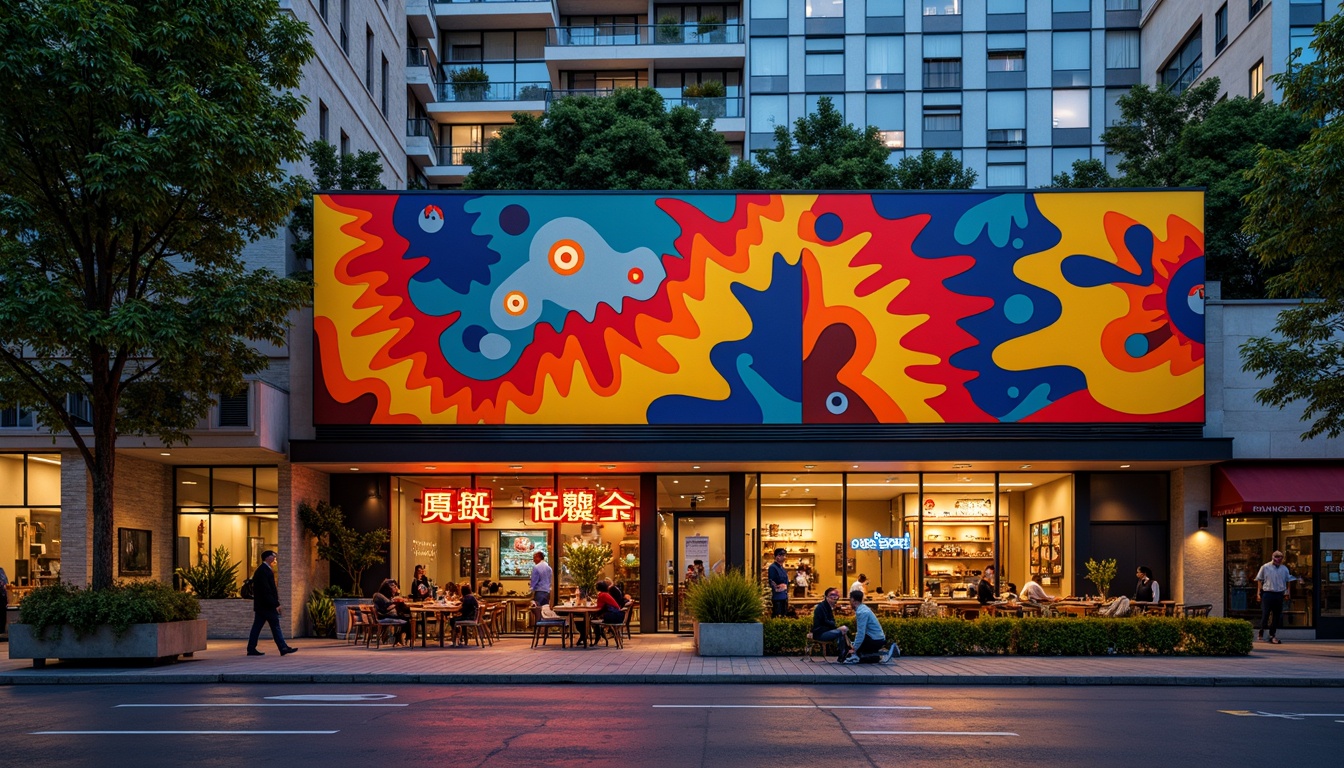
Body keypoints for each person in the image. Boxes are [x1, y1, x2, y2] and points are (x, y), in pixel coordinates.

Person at [246, 550, 297, 657]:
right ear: (267, 558)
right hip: (266, 606)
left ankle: (252, 648)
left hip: (262, 605)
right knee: (275, 626)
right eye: (273, 556)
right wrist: (275, 604)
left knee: (258, 627)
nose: (275, 559)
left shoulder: (263, 570)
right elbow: (267, 590)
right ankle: (282, 647)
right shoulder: (264, 571)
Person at [843, 590, 896, 664]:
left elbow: (861, 633)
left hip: (875, 640)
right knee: (856, 646)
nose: (849, 602)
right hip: (878, 638)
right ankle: (876, 655)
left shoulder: (861, 612)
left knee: (854, 649)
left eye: (850, 600)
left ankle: (885, 653)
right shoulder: (863, 608)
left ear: (853, 600)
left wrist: (854, 648)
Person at [1255, 550, 1292, 644]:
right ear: (1273, 557)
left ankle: (1272, 634)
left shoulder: (1284, 569)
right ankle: (1261, 632)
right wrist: (1258, 593)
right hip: (1268, 593)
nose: (1278, 560)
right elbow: (1259, 580)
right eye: (1276, 557)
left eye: (1280, 558)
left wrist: (1287, 592)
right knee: (1266, 614)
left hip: (1279, 593)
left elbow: (1288, 581)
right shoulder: (1265, 567)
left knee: (1277, 615)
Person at [810, 587, 851, 661]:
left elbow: (832, 621)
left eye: (836, 595)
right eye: (832, 595)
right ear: (826, 597)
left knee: (843, 631)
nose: (834, 597)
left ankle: (844, 653)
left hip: (826, 631)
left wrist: (836, 627)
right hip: (820, 633)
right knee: (841, 631)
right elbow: (826, 621)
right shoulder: (821, 607)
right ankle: (844, 653)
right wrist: (837, 628)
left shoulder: (828, 607)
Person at [768, 548, 790, 618]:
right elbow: (772, 582)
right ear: (777, 556)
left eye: (785, 555)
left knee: (784, 615)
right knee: (777, 616)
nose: (784, 557)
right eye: (782, 555)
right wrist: (780, 587)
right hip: (777, 597)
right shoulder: (773, 567)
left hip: (784, 596)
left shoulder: (782, 568)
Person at [0, 565, 8, 635]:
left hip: (2, 597)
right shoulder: (1, 571)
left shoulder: (1, 570)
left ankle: (1, 631)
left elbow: (5, 584)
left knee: (2, 615)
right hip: (2, 597)